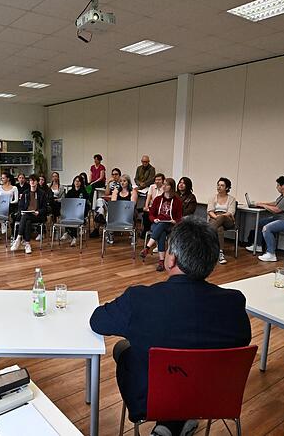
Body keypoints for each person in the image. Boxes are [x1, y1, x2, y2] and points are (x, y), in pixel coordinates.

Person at [90, 217, 251, 436]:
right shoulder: (234, 302)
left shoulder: (140, 299)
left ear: (171, 259)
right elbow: (243, 340)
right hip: (214, 398)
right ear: (212, 263)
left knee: (123, 348)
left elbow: (98, 321)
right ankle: (176, 423)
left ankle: (169, 423)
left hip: (151, 401)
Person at [247, 176, 284, 262]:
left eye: (278, 185)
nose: (276, 187)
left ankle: (271, 254)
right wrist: (261, 203)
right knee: (260, 223)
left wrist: (264, 206)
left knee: (267, 228)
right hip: (280, 218)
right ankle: (258, 246)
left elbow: (277, 209)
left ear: (283, 186)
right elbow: (275, 203)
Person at [140, 178, 183, 272]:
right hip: (157, 224)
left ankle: (148, 248)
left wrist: (175, 221)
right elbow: (151, 214)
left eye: (166, 185)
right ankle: (161, 261)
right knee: (162, 232)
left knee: (163, 225)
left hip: (170, 225)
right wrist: (154, 219)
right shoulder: (158, 199)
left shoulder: (177, 201)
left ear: (171, 187)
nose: (164, 186)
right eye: (163, 184)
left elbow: (179, 217)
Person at [10, 175, 48, 254]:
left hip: (37, 215)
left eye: (34, 180)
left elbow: (45, 208)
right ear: (29, 182)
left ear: (37, 182)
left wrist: (38, 212)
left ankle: (18, 238)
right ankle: (27, 244)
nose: (32, 182)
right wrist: (22, 211)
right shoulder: (25, 193)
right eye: (31, 180)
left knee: (25, 217)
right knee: (27, 221)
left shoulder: (42, 193)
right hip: (27, 214)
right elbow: (20, 206)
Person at [207, 177, 237, 265]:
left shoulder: (231, 199)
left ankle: (205, 237)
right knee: (219, 229)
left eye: (222, 185)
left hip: (228, 219)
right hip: (214, 217)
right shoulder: (212, 198)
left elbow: (231, 212)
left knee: (222, 217)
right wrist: (217, 218)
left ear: (227, 188)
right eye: (218, 185)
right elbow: (210, 211)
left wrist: (220, 217)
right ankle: (220, 253)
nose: (219, 187)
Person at [62, 175, 90, 247]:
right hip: (71, 211)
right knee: (68, 216)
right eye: (75, 181)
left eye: (78, 181)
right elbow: (67, 202)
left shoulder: (83, 192)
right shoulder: (70, 192)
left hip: (80, 211)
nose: (77, 182)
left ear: (81, 183)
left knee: (74, 218)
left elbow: (85, 203)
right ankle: (70, 234)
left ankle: (71, 236)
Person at [0, 172, 18, 242]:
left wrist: (8, 202)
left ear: (8, 179)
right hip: (0, 204)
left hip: (10, 205)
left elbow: (16, 200)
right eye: (1, 178)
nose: (2, 179)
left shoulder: (14, 188)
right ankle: (2, 225)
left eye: (3, 178)